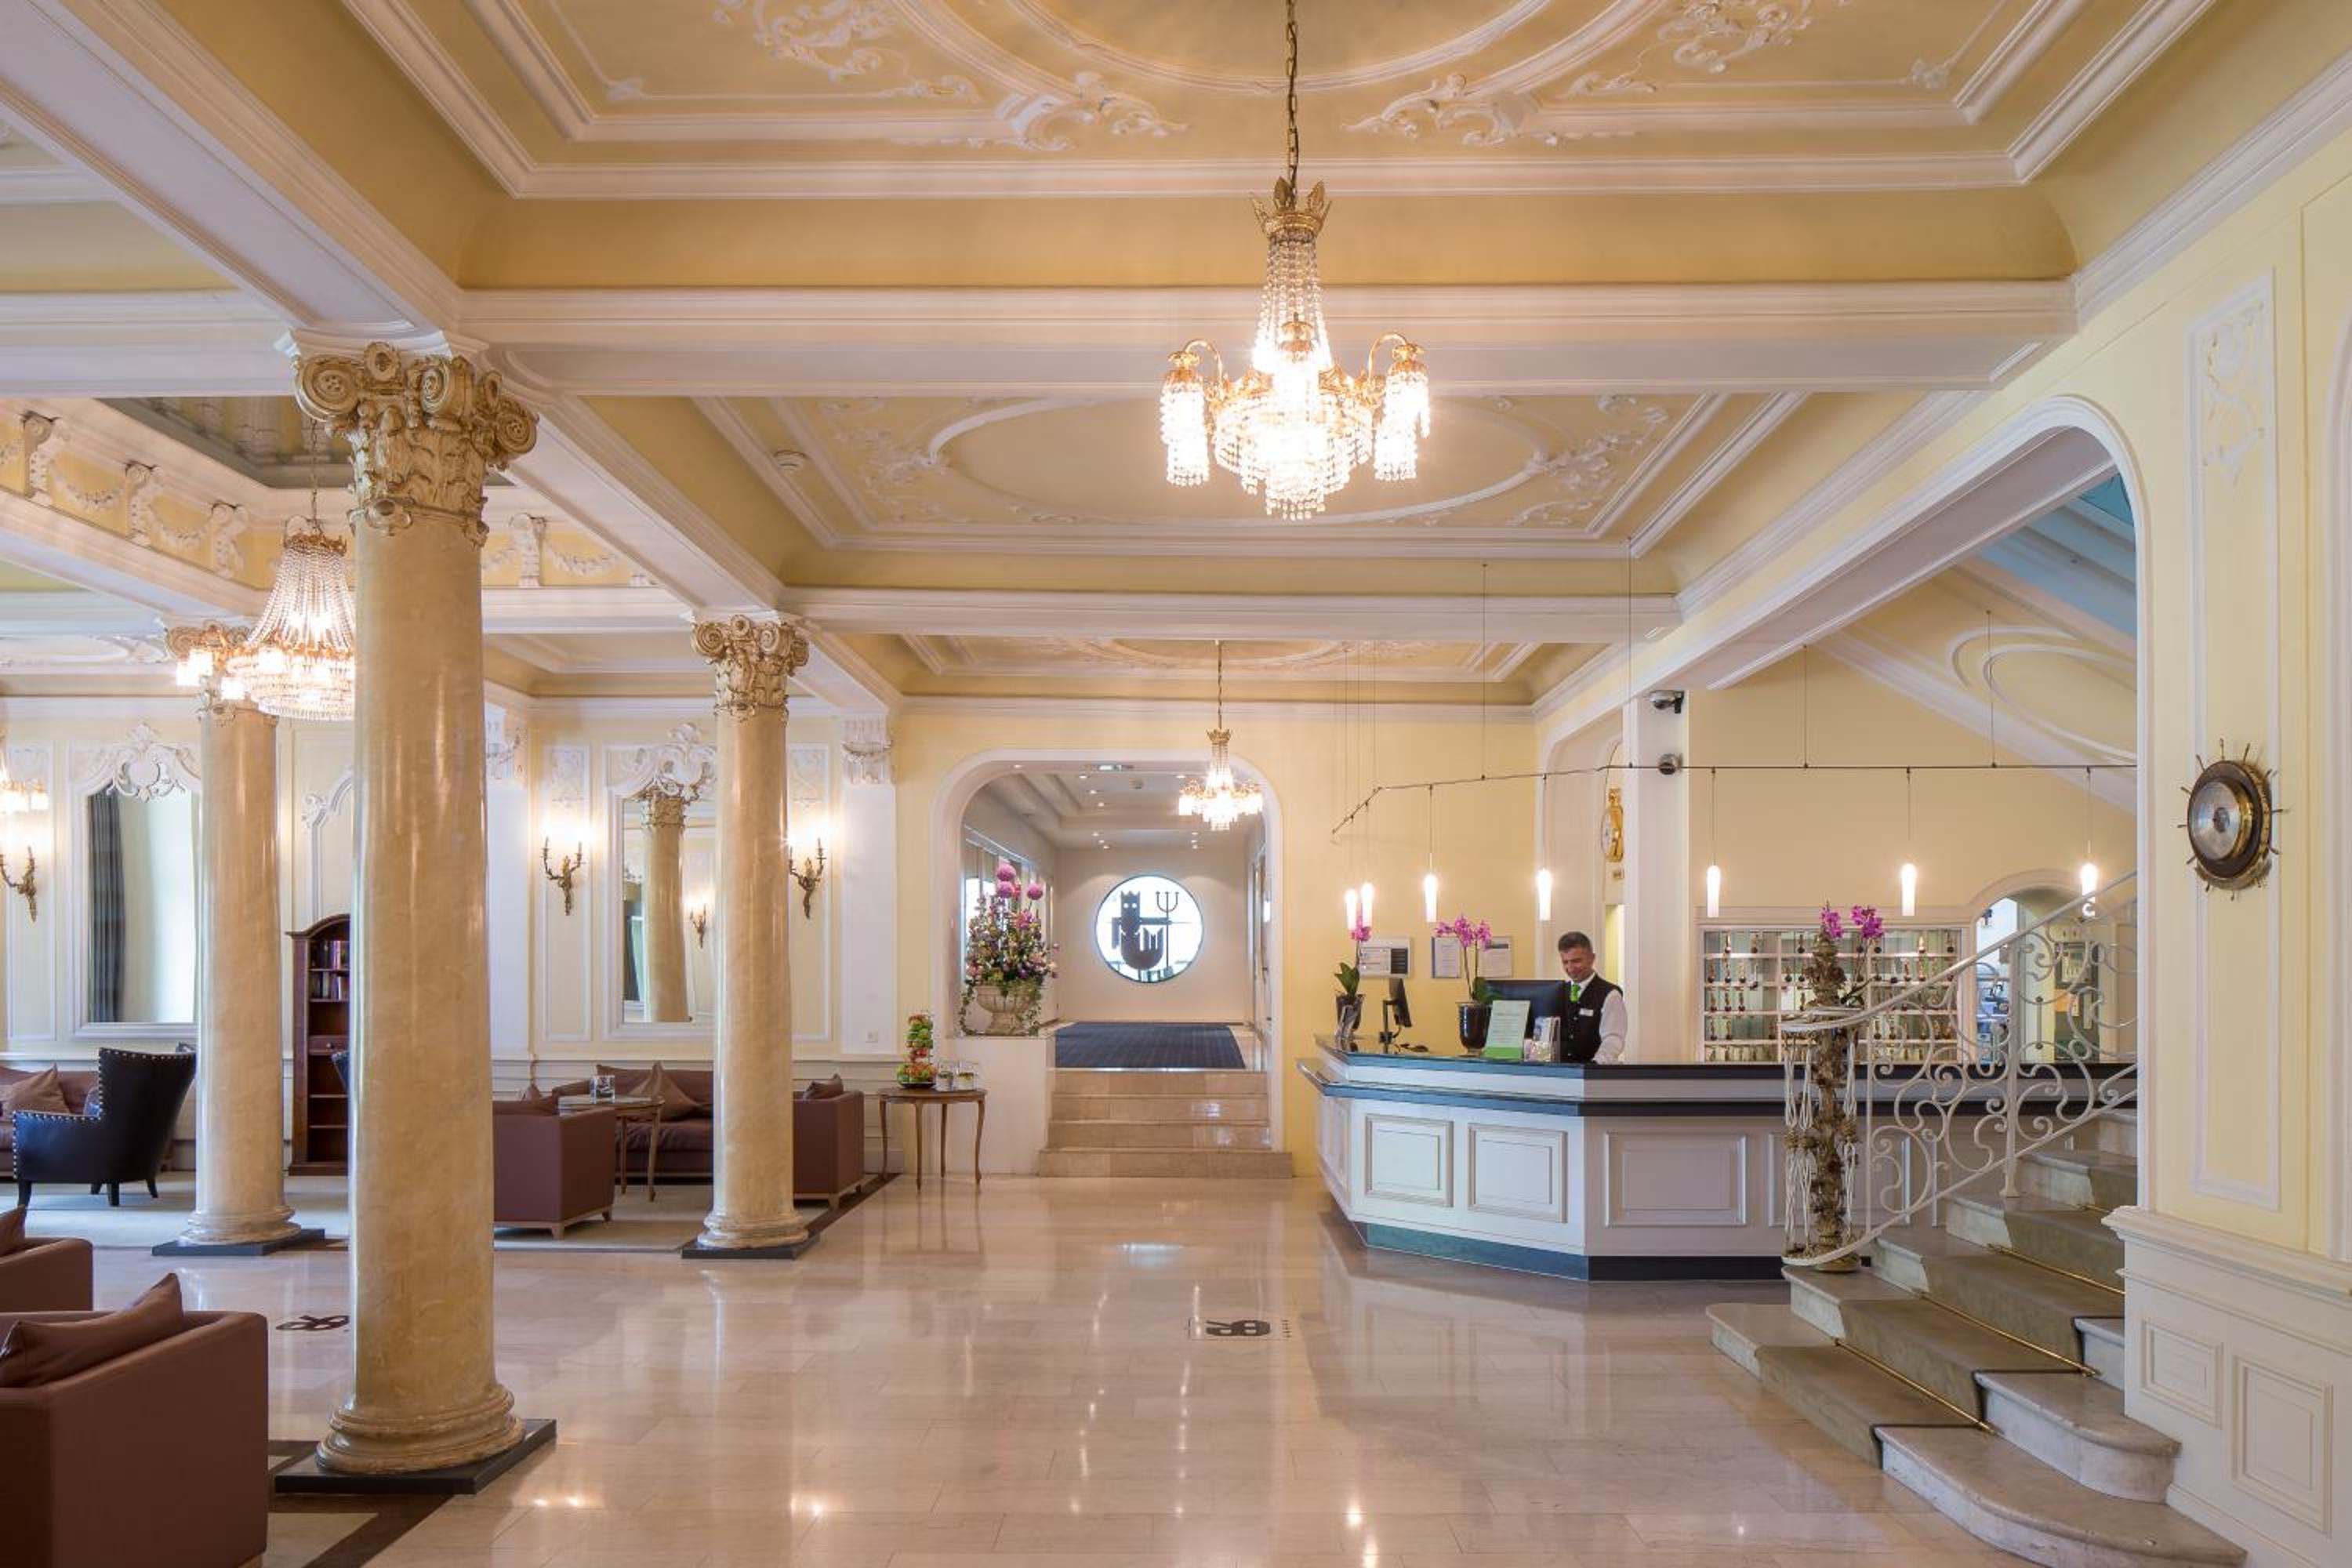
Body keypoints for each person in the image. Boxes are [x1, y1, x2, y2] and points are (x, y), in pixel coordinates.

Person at [1556, 931, 1627, 1062]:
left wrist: (1596, 1064)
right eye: (1565, 962)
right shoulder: (1558, 992)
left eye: (1576, 961)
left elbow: (1613, 1039)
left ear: (1592, 958)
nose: (1570, 968)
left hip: (1593, 1070)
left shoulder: (1610, 994)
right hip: (1560, 1071)